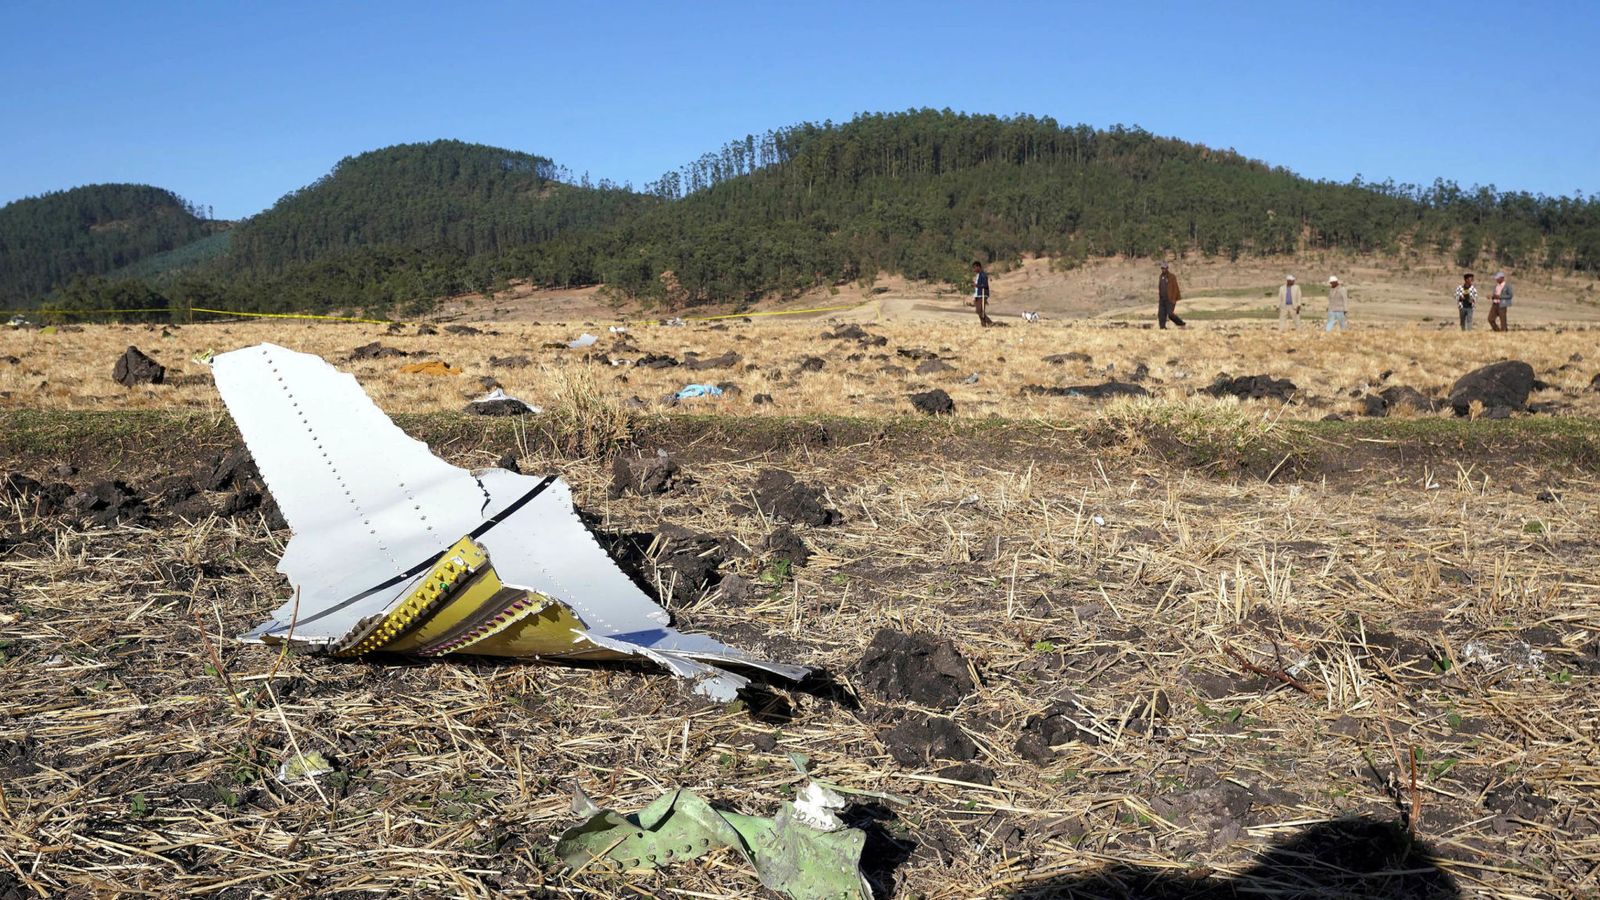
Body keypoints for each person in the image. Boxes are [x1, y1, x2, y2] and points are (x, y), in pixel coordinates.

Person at [1158, 262, 1186, 329]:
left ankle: (1181, 323)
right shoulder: (1161, 276)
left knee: (1170, 314)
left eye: (1164, 268)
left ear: (1167, 268)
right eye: (1162, 268)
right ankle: (1162, 328)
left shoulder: (1172, 277)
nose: (1163, 269)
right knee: (1161, 314)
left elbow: (1176, 288)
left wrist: (1174, 299)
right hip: (1162, 299)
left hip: (1170, 299)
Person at [971, 261, 994, 327]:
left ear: (978, 267)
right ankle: (983, 325)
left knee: (979, 310)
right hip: (978, 295)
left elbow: (985, 285)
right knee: (979, 311)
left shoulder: (983, 275)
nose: (974, 269)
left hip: (982, 294)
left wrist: (976, 285)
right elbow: (978, 286)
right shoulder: (978, 275)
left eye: (974, 268)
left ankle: (989, 322)